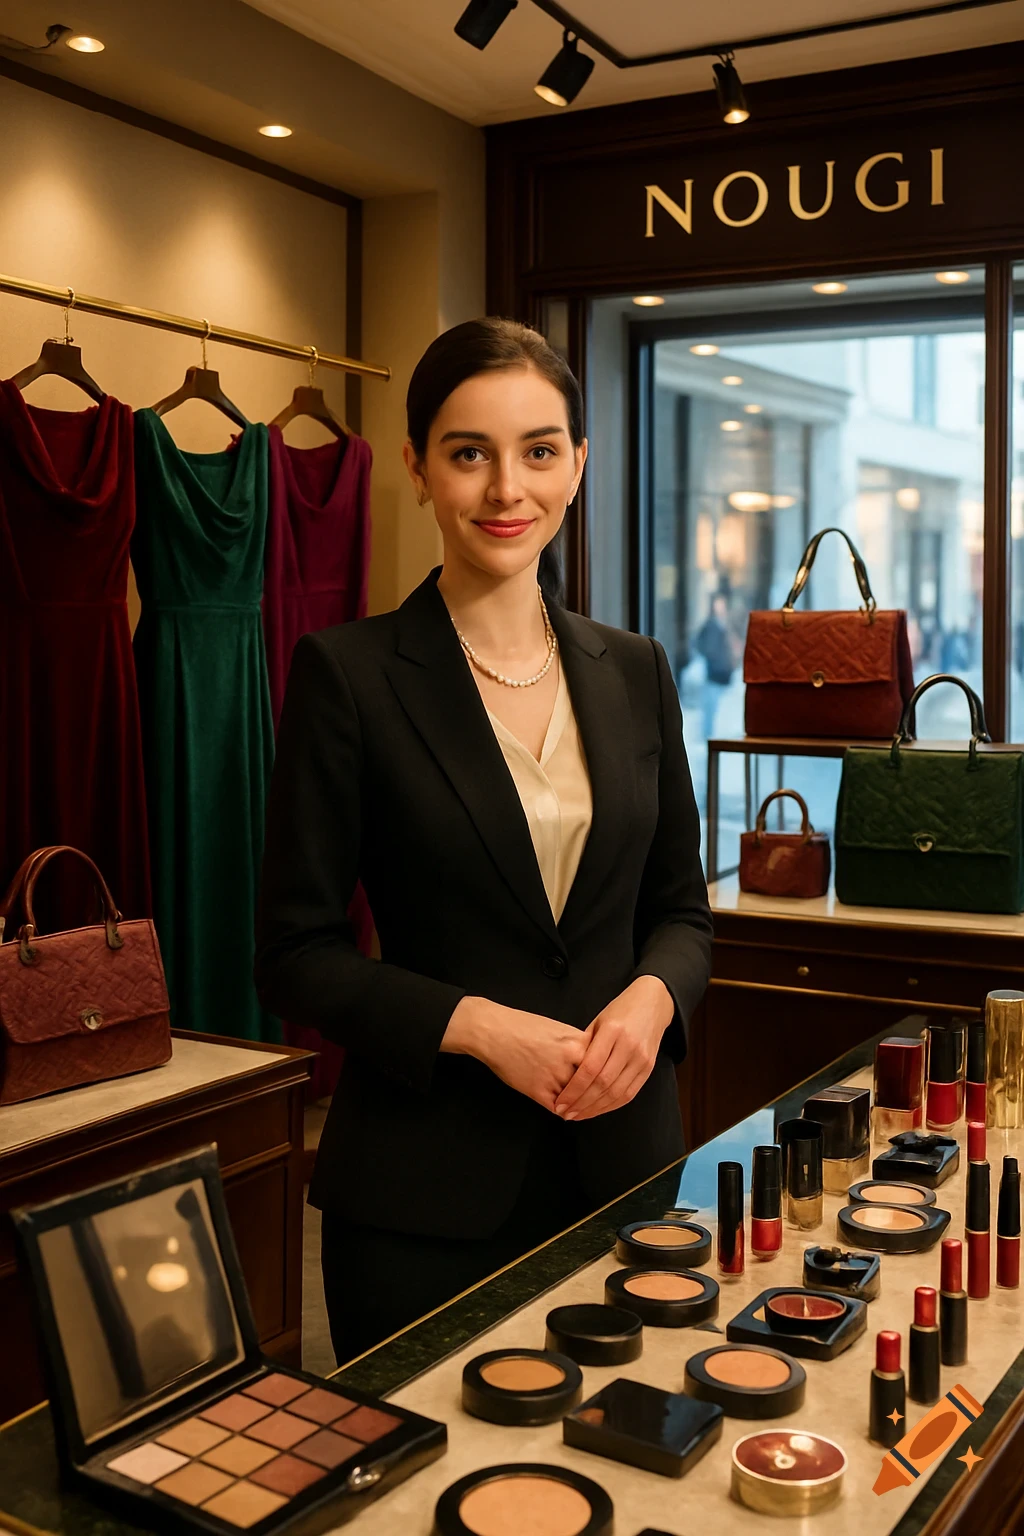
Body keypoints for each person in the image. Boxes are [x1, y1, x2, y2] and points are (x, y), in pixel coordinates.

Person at [255, 318, 712, 1365]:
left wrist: (652, 1000)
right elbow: (293, 955)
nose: (508, 488)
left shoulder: (636, 670)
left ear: (578, 465)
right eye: (470, 453)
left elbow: (680, 912)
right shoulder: (348, 675)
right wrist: (479, 1028)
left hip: (624, 1172)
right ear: (417, 468)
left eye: (538, 451)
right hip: (422, 1198)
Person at [695, 592, 734, 742]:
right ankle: (708, 739)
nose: (720, 608)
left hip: (721, 674)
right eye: (718, 604)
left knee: (716, 711)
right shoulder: (712, 626)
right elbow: (704, 646)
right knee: (711, 711)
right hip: (714, 674)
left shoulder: (722, 624)